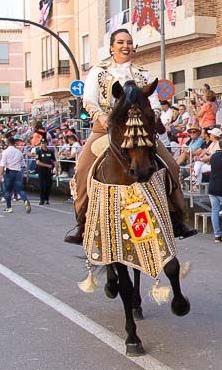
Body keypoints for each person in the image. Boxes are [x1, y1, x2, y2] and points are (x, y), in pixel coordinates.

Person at [65, 28, 191, 243]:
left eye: (129, 42)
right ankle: (82, 222)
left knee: (172, 164)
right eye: (121, 42)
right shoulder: (98, 70)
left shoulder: (143, 73)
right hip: (106, 129)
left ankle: (177, 217)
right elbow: (89, 99)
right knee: (82, 168)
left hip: (140, 131)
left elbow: (154, 104)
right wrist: (103, 118)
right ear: (112, 47)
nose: (126, 46)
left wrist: (154, 115)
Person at [0, 137, 31, 214]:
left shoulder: (5, 152)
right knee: (20, 189)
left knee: (8, 191)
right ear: (14, 143)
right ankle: (25, 201)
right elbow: (23, 164)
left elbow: (2, 164)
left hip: (9, 172)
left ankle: (9, 207)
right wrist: (26, 173)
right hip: (18, 172)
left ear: (8, 142)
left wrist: (0, 174)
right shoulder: (19, 152)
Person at [33, 137, 56, 205]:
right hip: (41, 170)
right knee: (42, 185)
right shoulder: (39, 151)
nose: (43, 144)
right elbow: (38, 162)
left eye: (45, 143)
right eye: (42, 143)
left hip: (49, 171)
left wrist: (56, 169)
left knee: (48, 185)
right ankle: (42, 199)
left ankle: (47, 198)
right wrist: (47, 165)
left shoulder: (50, 151)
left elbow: (54, 160)